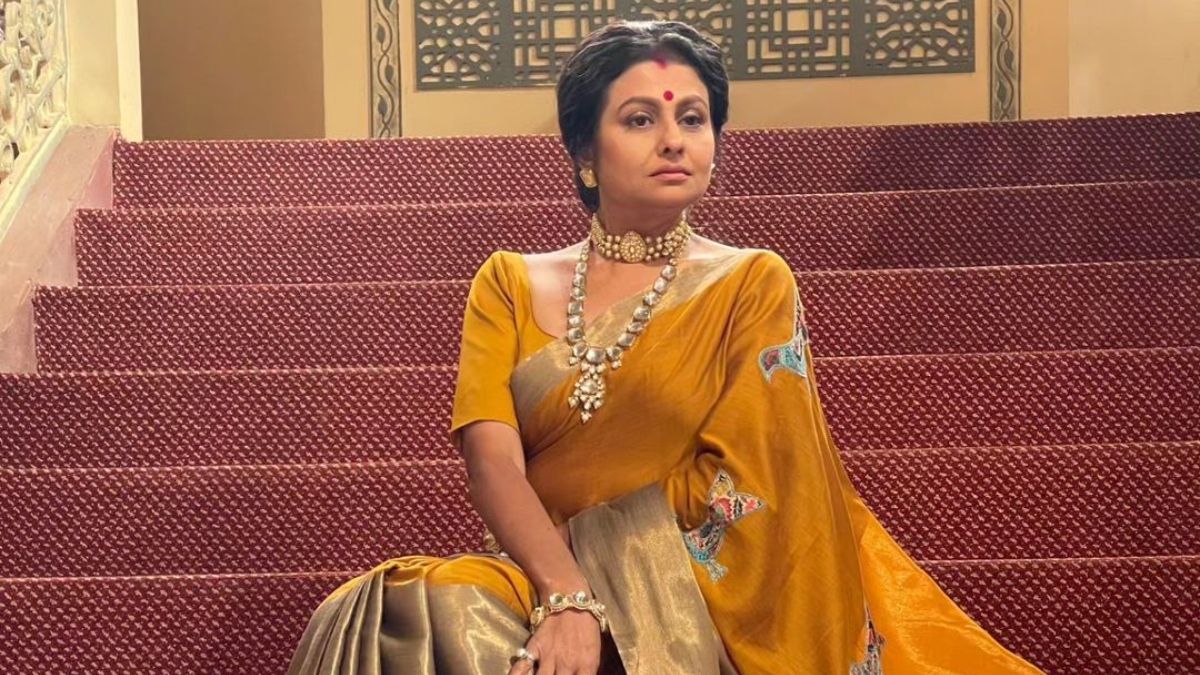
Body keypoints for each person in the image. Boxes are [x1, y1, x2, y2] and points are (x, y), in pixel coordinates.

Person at [287, 19, 1047, 675]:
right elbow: (492, 463)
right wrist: (566, 592)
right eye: (640, 118)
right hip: (536, 570)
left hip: (686, 580)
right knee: (398, 608)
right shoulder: (509, 282)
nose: (674, 138)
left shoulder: (751, 281)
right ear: (585, 150)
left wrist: (598, 562)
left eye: (693, 117)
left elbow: (757, 476)